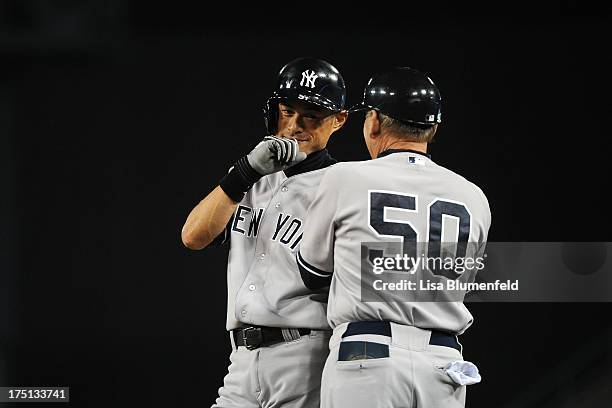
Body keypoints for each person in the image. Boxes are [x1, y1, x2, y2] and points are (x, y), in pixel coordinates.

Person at [296, 67, 491, 408]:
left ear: (373, 121)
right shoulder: (474, 196)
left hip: (368, 356)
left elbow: (311, 273)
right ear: (433, 128)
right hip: (444, 367)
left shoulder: (345, 177)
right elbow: (459, 280)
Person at [181, 57, 348, 408]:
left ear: (339, 120)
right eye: (287, 111)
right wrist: (244, 173)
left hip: (307, 355)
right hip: (241, 358)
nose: (295, 125)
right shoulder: (247, 178)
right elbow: (193, 236)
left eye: (311, 115)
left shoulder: (343, 184)